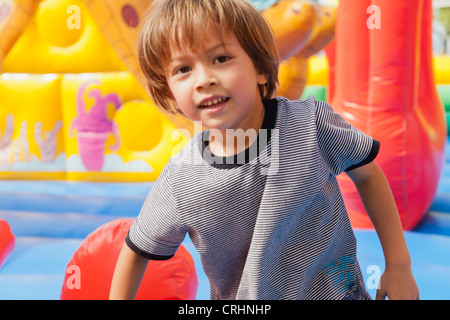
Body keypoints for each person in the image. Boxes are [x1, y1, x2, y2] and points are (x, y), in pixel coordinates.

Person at [109, 0, 419, 300]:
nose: (204, 80)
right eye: (183, 69)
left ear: (260, 68)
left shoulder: (310, 125)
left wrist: (399, 265)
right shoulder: (182, 180)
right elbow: (136, 249)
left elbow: (367, 176)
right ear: (171, 94)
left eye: (220, 59)